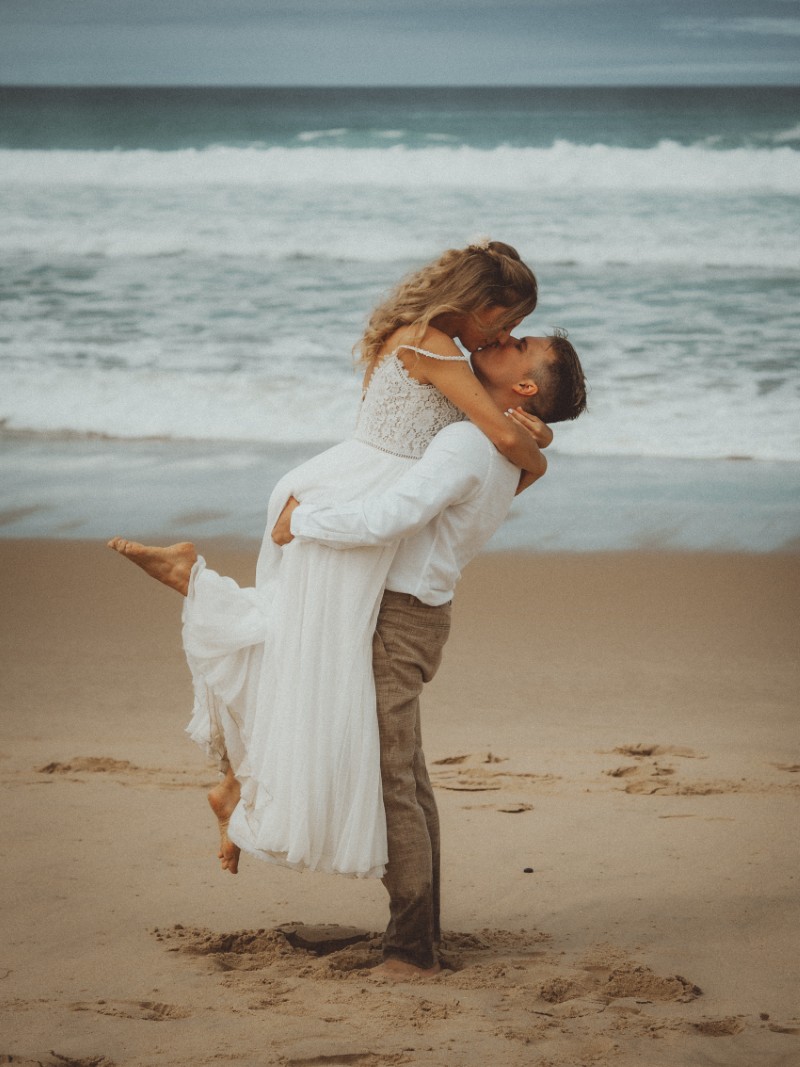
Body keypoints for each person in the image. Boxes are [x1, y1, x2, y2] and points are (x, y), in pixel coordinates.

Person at [108, 241, 545, 883]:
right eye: (504, 320)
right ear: (473, 305)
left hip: (336, 485)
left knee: (296, 645)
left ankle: (233, 772)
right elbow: (504, 438)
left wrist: (531, 425)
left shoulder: (427, 336)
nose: (506, 334)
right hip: (349, 500)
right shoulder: (435, 345)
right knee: (311, 662)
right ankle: (201, 601)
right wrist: (541, 453)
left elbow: (491, 427)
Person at [270, 331, 588, 977]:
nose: (504, 336)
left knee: (394, 784)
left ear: (524, 386)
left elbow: (394, 515)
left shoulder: (473, 440)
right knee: (406, 778)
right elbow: (513, 466)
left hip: (397, 618)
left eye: (520, 342)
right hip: (418, 614)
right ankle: (417, 933)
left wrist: (297, 522)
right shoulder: (494, 437)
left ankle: (411, 951)